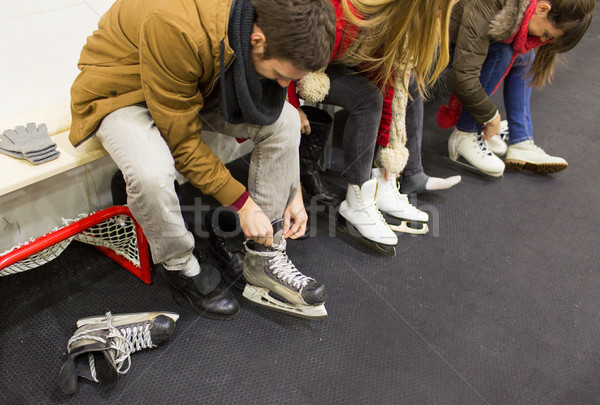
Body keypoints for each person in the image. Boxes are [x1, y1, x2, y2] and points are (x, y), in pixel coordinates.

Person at [68, 0, 336, 320]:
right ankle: (181, 266)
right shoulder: (175, 24)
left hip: (192, 84)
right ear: (258, 39)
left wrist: (292, 190)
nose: (281, 85)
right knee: (151, 175)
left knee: (287, 121)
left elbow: (265, 100)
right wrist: (243, 204)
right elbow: (182, 143)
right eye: (280, 75)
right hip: (122, 90)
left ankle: (263, 259)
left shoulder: (259, 21)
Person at [289, 0, 458, 252]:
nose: (438, 20)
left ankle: (378, 184)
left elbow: (388, 83)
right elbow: (291, 53)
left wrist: (384, 156)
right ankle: (356, 198)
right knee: (367, 99)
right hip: (304, 62)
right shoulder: (347, 14)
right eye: (438, 13)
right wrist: (292, 105)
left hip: (337, 55)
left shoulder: (393, 27)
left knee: (395, 88)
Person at [438, 0, 595, 177]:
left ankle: (521, 140)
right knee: (503, 52)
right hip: (431, 45)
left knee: (525, 56)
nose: (543, 40)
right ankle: (465, 133)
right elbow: (464, 77)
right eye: (545, 34)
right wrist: (491, 116)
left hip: (456, 41)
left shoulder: (523, 10)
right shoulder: (491, 3)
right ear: (542, 9)